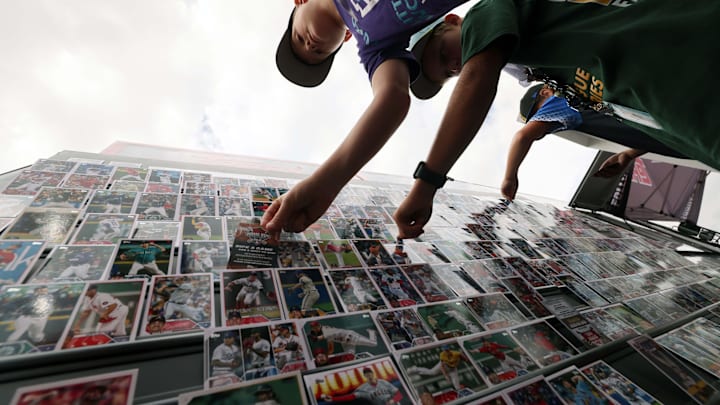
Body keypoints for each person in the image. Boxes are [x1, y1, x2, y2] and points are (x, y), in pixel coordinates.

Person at [394, 1, 720, 239]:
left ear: (451, 20)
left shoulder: (486, 12)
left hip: (683, 61)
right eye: (449, 73)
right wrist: (628, 153)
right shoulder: (544, 66)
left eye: (441, 53)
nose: (456, 65)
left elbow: (478, 76)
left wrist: (427, 182)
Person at [261, 0, 473, 235]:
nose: (310, 46)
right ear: (346, 37)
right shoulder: (374, 46)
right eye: (320, 53)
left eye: (299, 37)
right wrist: (322, 185)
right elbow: (393, 98)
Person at [501, 83, 689, 200]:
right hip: (681, 131)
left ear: (546, 92)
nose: (542, 130)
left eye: (536, 116)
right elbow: (647, 128)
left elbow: (522, 137)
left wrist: (510, 177)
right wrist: (629, 154)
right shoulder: (587, 105)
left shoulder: (560, 101)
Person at [321, 367, 403, 405]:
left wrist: (393, 400)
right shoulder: (363, 389)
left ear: (373, 373)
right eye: (367, 375)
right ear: (365, 376)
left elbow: (399, 394)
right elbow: (350, 397)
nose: (369, 376)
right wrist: (333, 399)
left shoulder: (383, 382)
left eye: (370, 373)